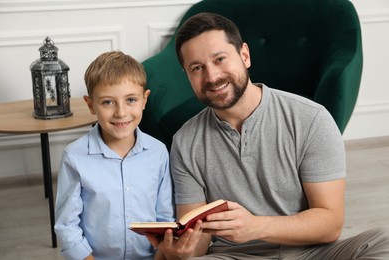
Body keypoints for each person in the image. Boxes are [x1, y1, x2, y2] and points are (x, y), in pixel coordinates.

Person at [149, 13, 389, 259]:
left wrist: (254, 227)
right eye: (197, 68)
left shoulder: (311, 119)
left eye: (220, 59)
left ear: (244, 55)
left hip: (311, 254)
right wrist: (180, 251)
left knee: (382, 242)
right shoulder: (185, 142)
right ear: (187, 75)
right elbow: (199, 239)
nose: (212, 77)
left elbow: (330, 224)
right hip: (234, 256)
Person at [54, 51, 174, 260]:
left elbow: (165, 217)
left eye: (130, 100)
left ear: (144, 100)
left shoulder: (158, 152)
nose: (120, 112)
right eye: (108, 102)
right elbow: (67, 225)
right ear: (91, 104)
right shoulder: (75, 157)